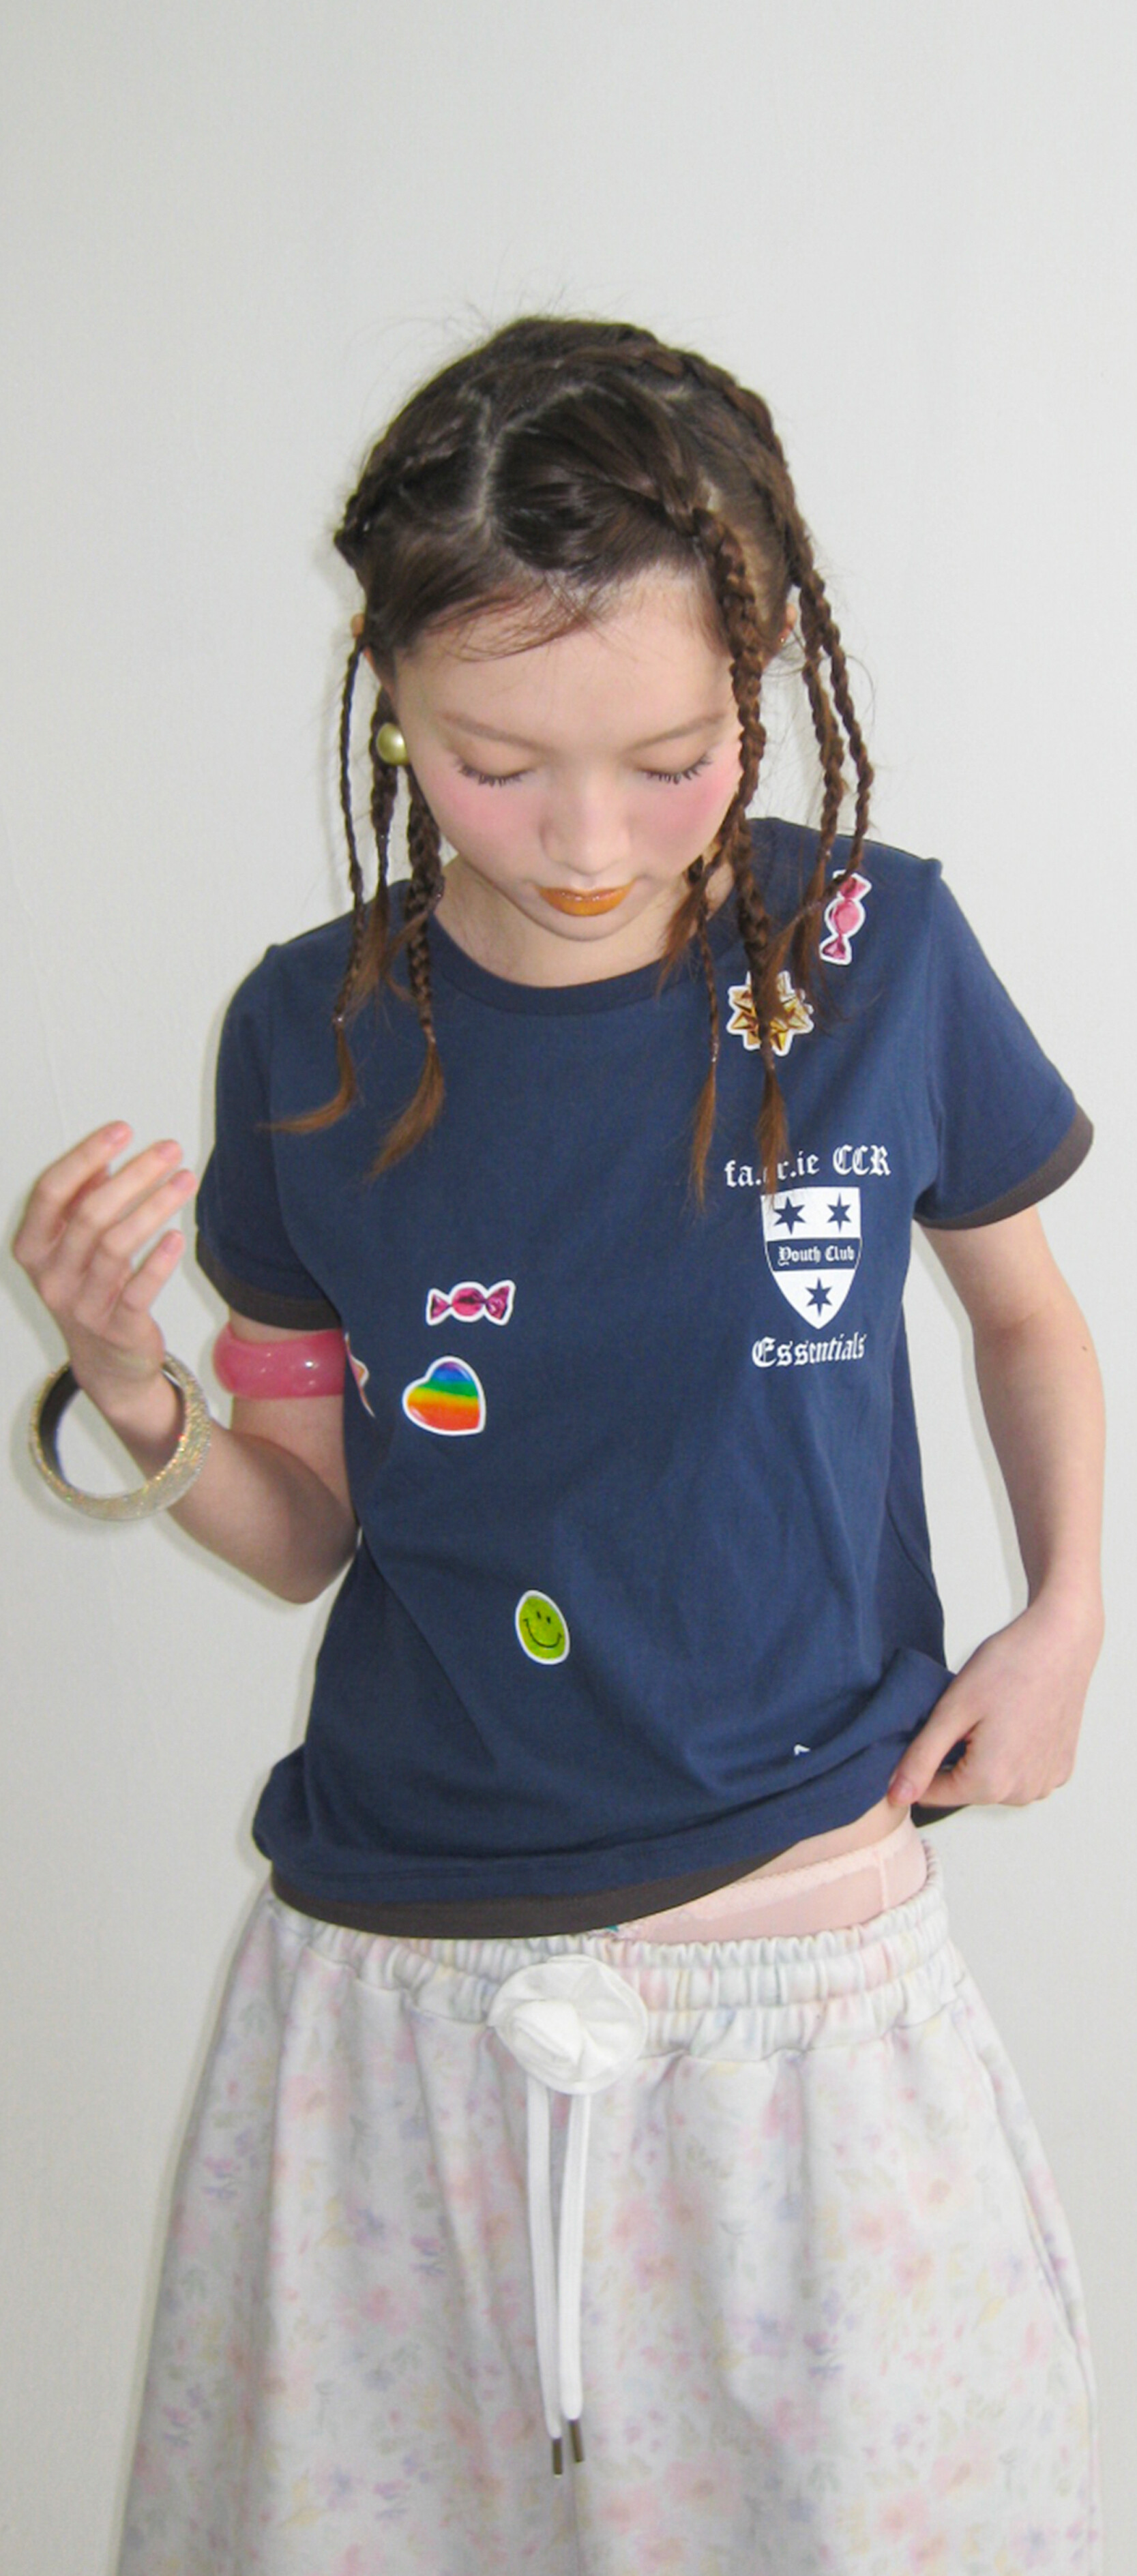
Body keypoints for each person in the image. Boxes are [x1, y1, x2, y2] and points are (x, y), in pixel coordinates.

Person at [15, 315, 1104, 2571]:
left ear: (759, 681)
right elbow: (307, 1527)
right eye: (494, 764)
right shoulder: (311, 1035)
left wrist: (1068, 1613)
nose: (586, 843)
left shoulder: (872, 948)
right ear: (388, 695)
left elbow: (1019, 1311)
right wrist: (130, 1382)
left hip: (804, 1989)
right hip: (390, 2002)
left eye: (670, 759)